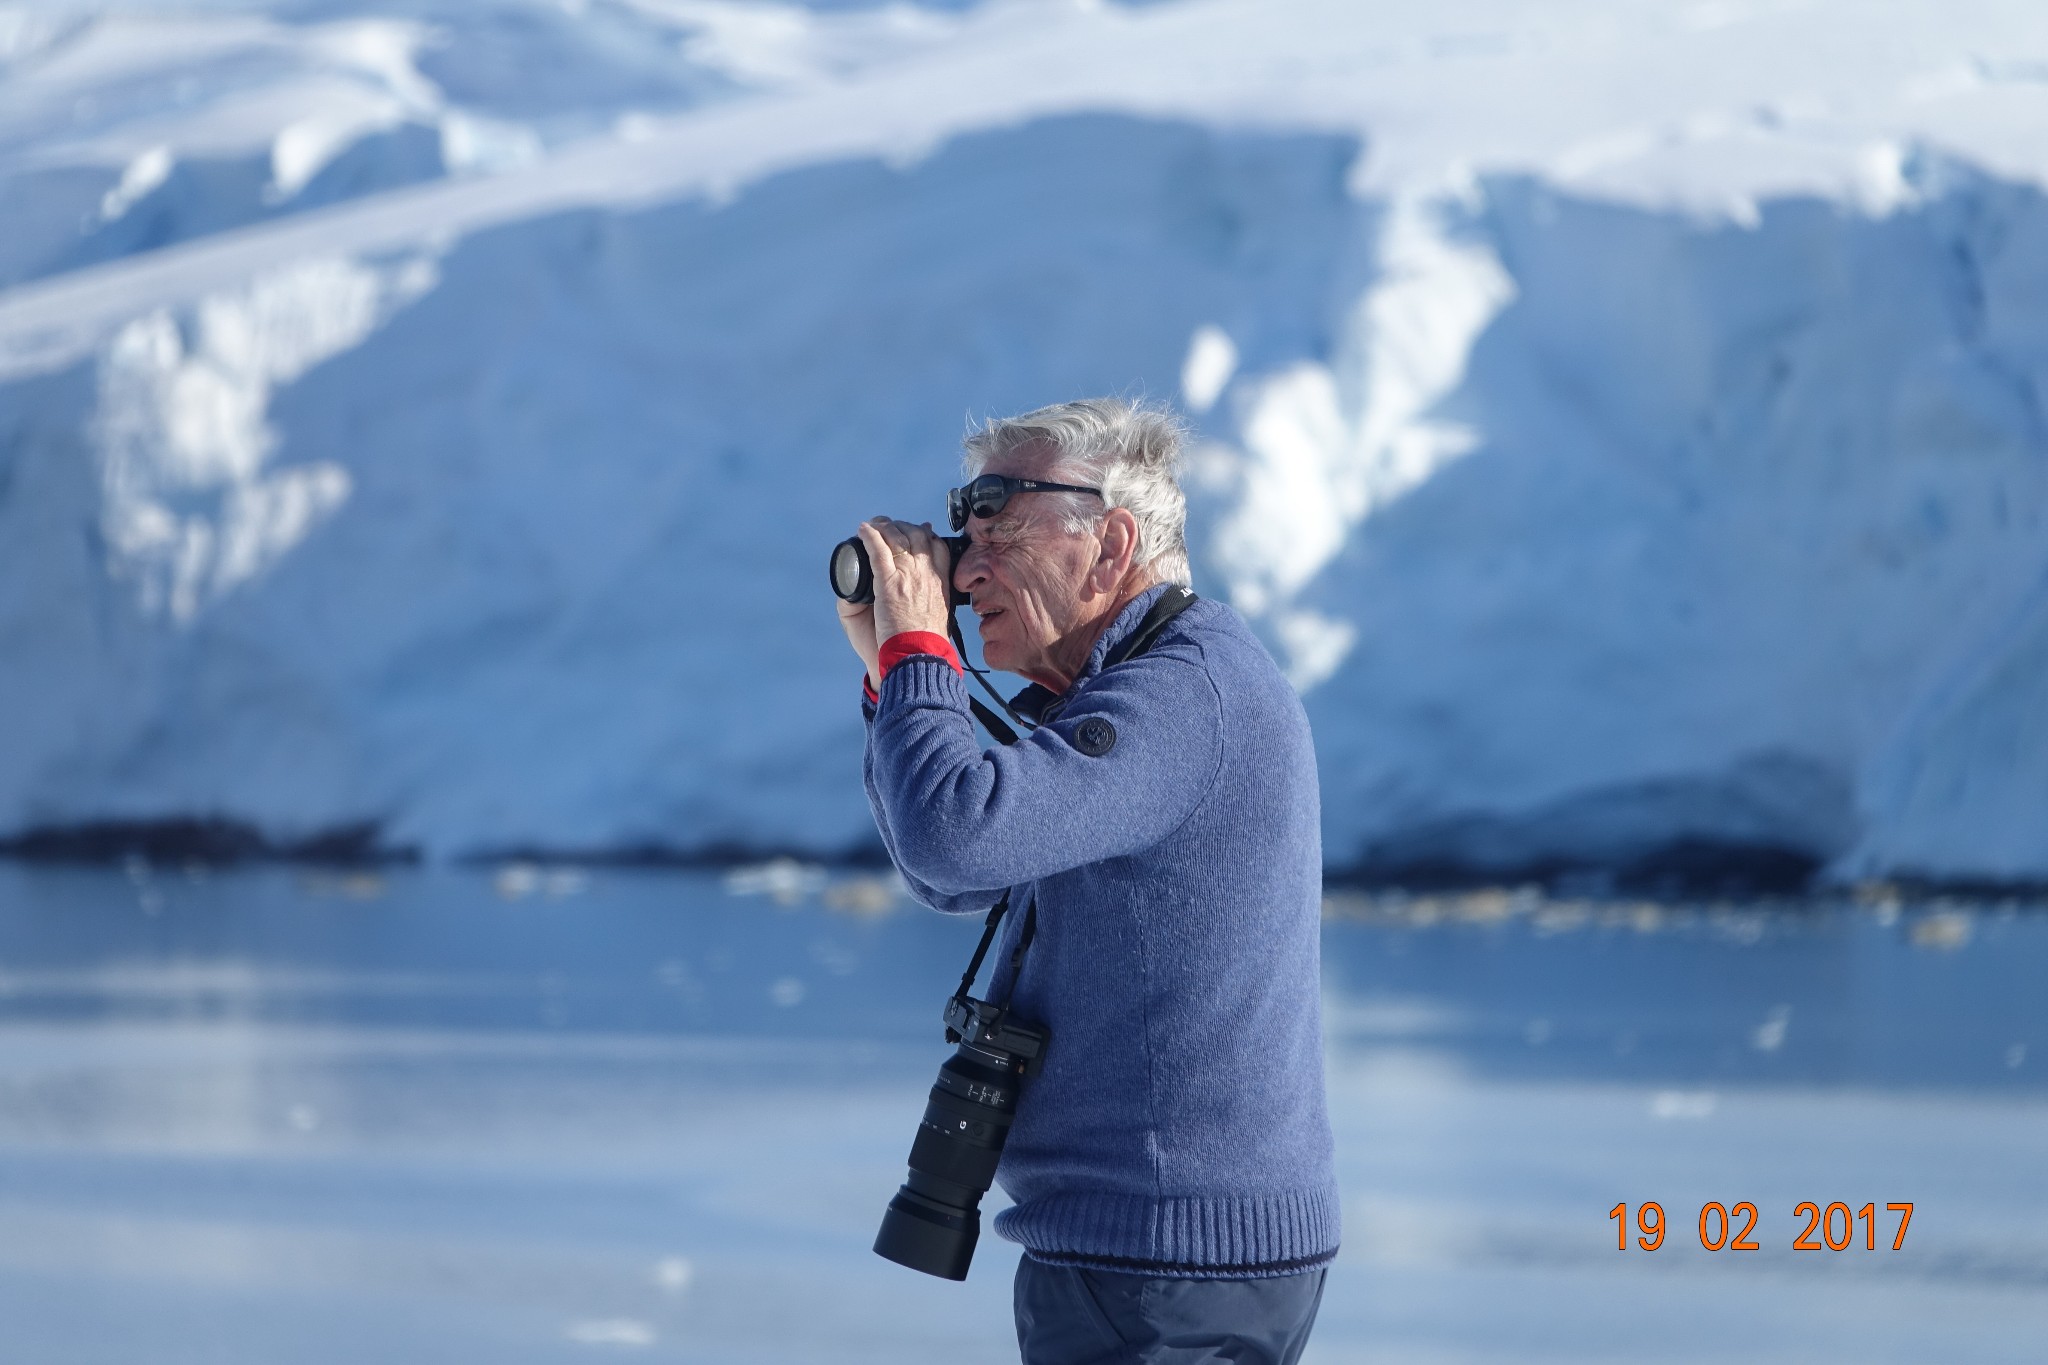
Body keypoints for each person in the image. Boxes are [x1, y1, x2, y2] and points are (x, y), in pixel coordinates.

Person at [837, 398, 1337, 1365]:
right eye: (961, 543)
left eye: (1002, 535)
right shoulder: (1153, 690)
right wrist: (889, 669)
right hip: (1163, 1257)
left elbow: (955, 837)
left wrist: (919, 651)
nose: (967, 571)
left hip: (1161, 1268)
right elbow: (949, 875)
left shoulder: (1181, 699)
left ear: (1111, 546)